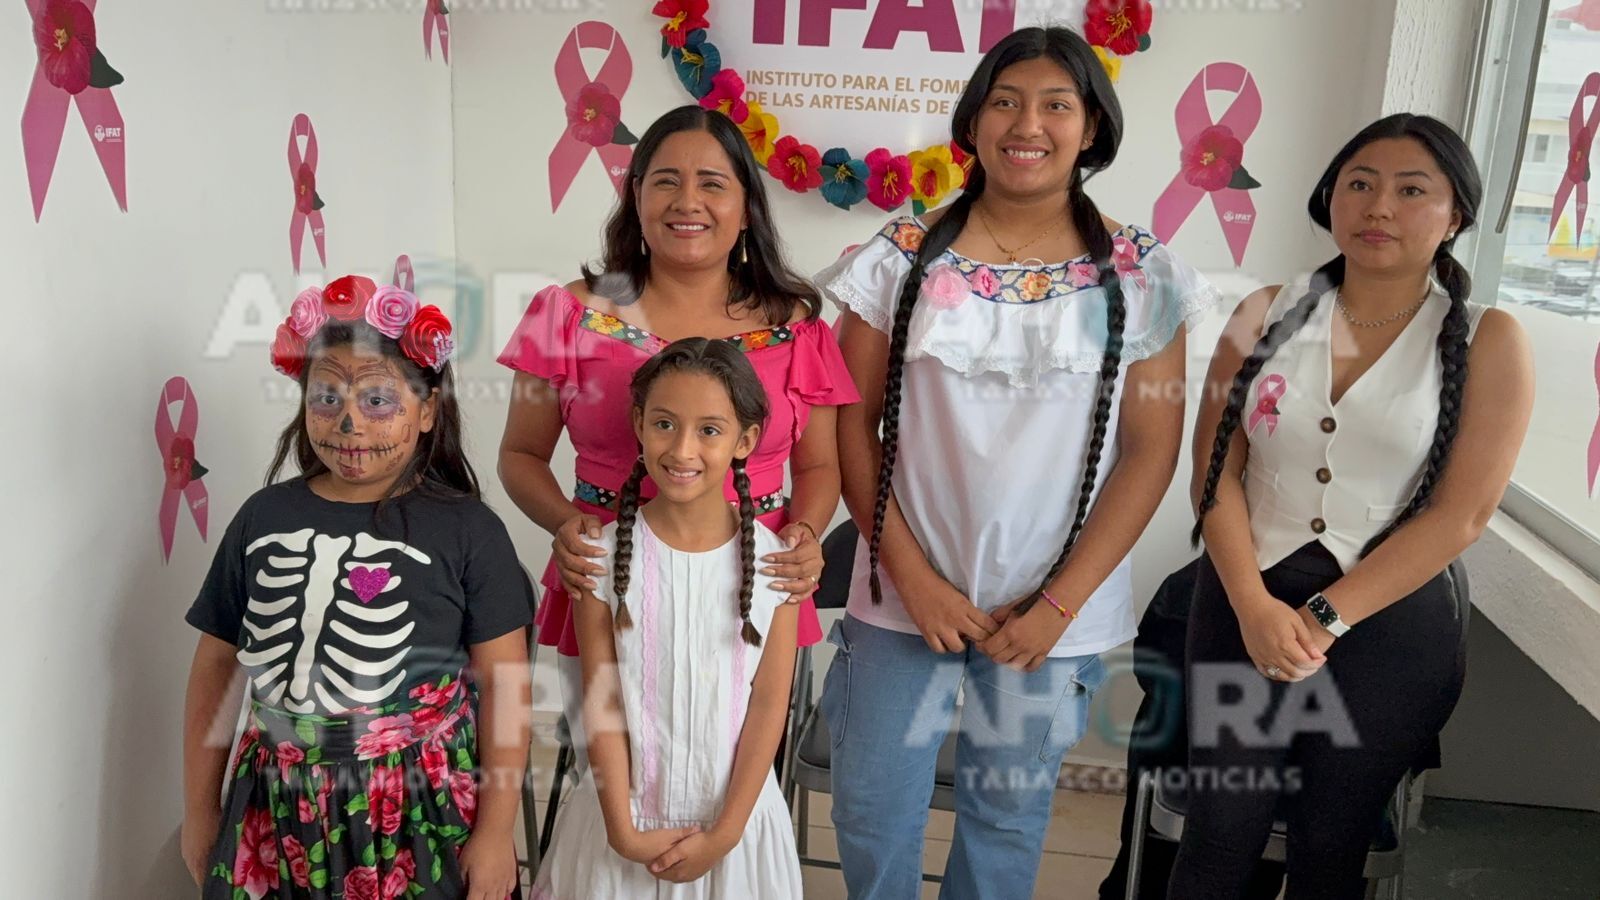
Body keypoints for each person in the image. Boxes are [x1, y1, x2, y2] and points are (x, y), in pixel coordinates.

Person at [815, 25, 1219, 899]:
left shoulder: (1145, 275)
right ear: (973, 119)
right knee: (872, 803)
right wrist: (907, 575)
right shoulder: (900, 254)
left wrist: (1057, 606)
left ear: (1092, 129)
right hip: (901, 592)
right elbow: (851, 421)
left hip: (1052, 610)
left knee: (1007, 815)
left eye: (1055, 105)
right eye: (1005, 100)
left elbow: (1150, 452)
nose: (1026, 123)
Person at [1170, 114, 1534, 899]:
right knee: (1217, 835)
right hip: (1243, 599)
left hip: (1389, 627)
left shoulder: (1487, 338)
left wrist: (1323, 620)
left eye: (1412, 191)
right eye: (1360, 185)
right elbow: (1213, 468)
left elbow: (1461, 514)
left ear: (1456, 215)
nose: (1379, 208)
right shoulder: (1264, 311)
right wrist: (1253, 607)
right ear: (1329, 197)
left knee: (1331, 848)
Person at [497, 105, 858, 767]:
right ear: (635, 199)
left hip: (751, 585)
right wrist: (565, 526)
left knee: (735, 789)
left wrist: (804, 534)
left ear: (747, 207)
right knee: (616, 781)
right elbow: (520, 457)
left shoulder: (798, 325)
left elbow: (821, 469)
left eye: (713, 183)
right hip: (613, 583)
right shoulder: (566, 313)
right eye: (664, 181)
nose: (687, 201)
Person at [181, 276, 533, 899]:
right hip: (273, 798)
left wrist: (496, 832)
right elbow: (215, 664)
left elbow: (505, 685)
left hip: (418, 806)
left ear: (428, 410)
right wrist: (200, 809)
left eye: (377, 400)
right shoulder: (263, 518)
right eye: (326, 397)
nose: (348, 421)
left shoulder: (469, 530)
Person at [533, 338, 803, 898]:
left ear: (744, 440)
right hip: (620, 822)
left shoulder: (778, 566)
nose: (682, 450)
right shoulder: (598, 560)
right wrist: (624, 833)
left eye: (709, 429)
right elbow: (599, 696)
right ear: (638, 424)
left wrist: (725, 834)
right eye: (664, 424)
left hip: (736, 829)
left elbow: (771, 703)